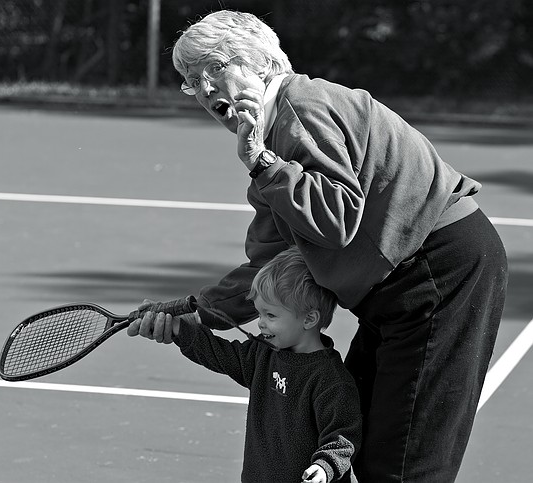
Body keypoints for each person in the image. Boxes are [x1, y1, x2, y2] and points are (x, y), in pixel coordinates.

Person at [128, 9, 508, 483]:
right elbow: (274, 264)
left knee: (403, 465)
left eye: (215, 68)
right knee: (364, 444)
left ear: (260, 64)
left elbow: (336, 221)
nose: (204, 88)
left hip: (437, 273)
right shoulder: (273, 138)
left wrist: (263, 163)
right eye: (190, 79)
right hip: (403, 284)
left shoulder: (298, 110)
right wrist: (198, 310)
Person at [130, 246, 361, 483]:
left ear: (309, 319)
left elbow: (343, 436)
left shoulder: (331, 380)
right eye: (259, 314)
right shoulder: (264, 352)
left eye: (271, 316)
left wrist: (324, 467)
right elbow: (219, 354)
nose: (260, 324)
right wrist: (180, 329)